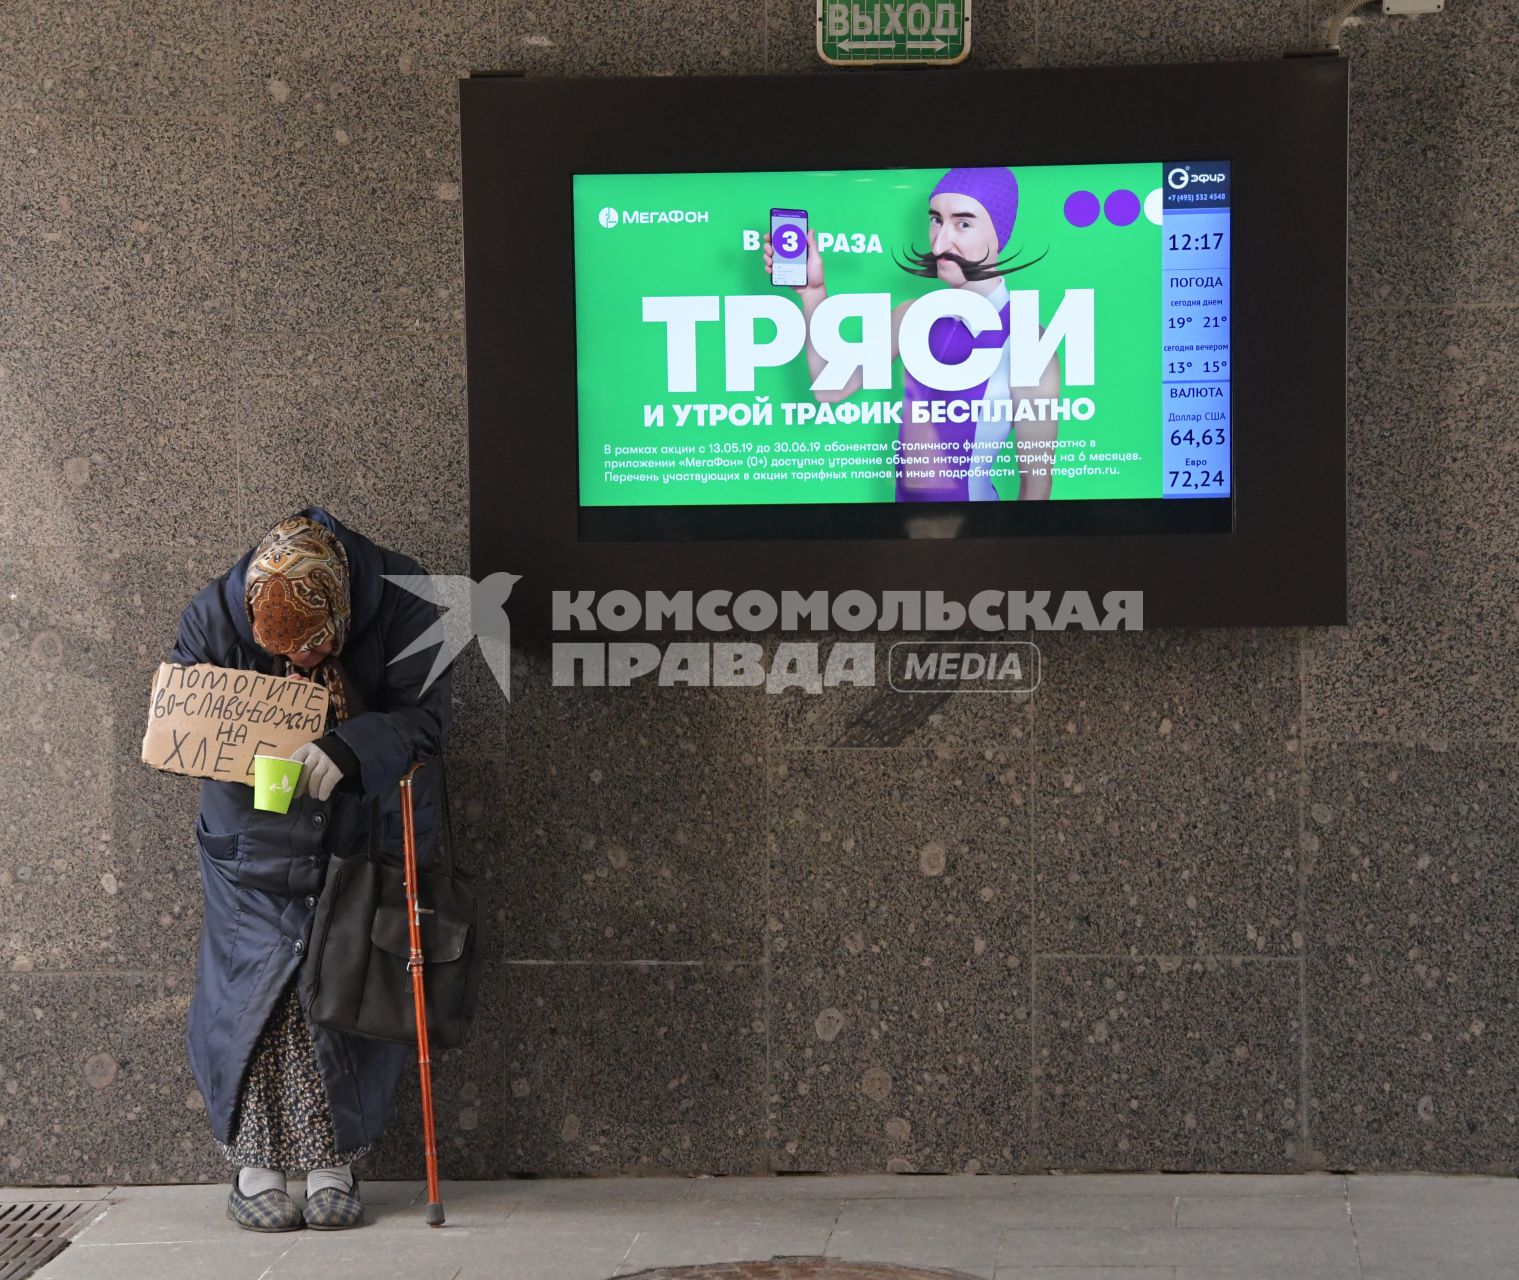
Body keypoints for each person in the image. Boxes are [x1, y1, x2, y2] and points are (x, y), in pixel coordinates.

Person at [166, 507, 451, 1231]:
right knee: (256, 999)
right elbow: (184, 722)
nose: (296, 666)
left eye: (312, 651)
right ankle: (255, 1168)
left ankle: (333, 1164)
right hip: (251, 835)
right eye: (280, 655)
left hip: (359, 825)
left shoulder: (409, 598)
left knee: (341, 988)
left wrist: (350, 748)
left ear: (345, 610)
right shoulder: (215, 613)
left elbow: (427, 719)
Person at [765, 166, 1062, 502]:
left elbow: (1037, 487)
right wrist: (812, 293)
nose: (939, 243)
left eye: (963, 223)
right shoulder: (913, 315)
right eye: (936, 219)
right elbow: (830, 388)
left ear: (999, 235)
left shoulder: (1026, 340)